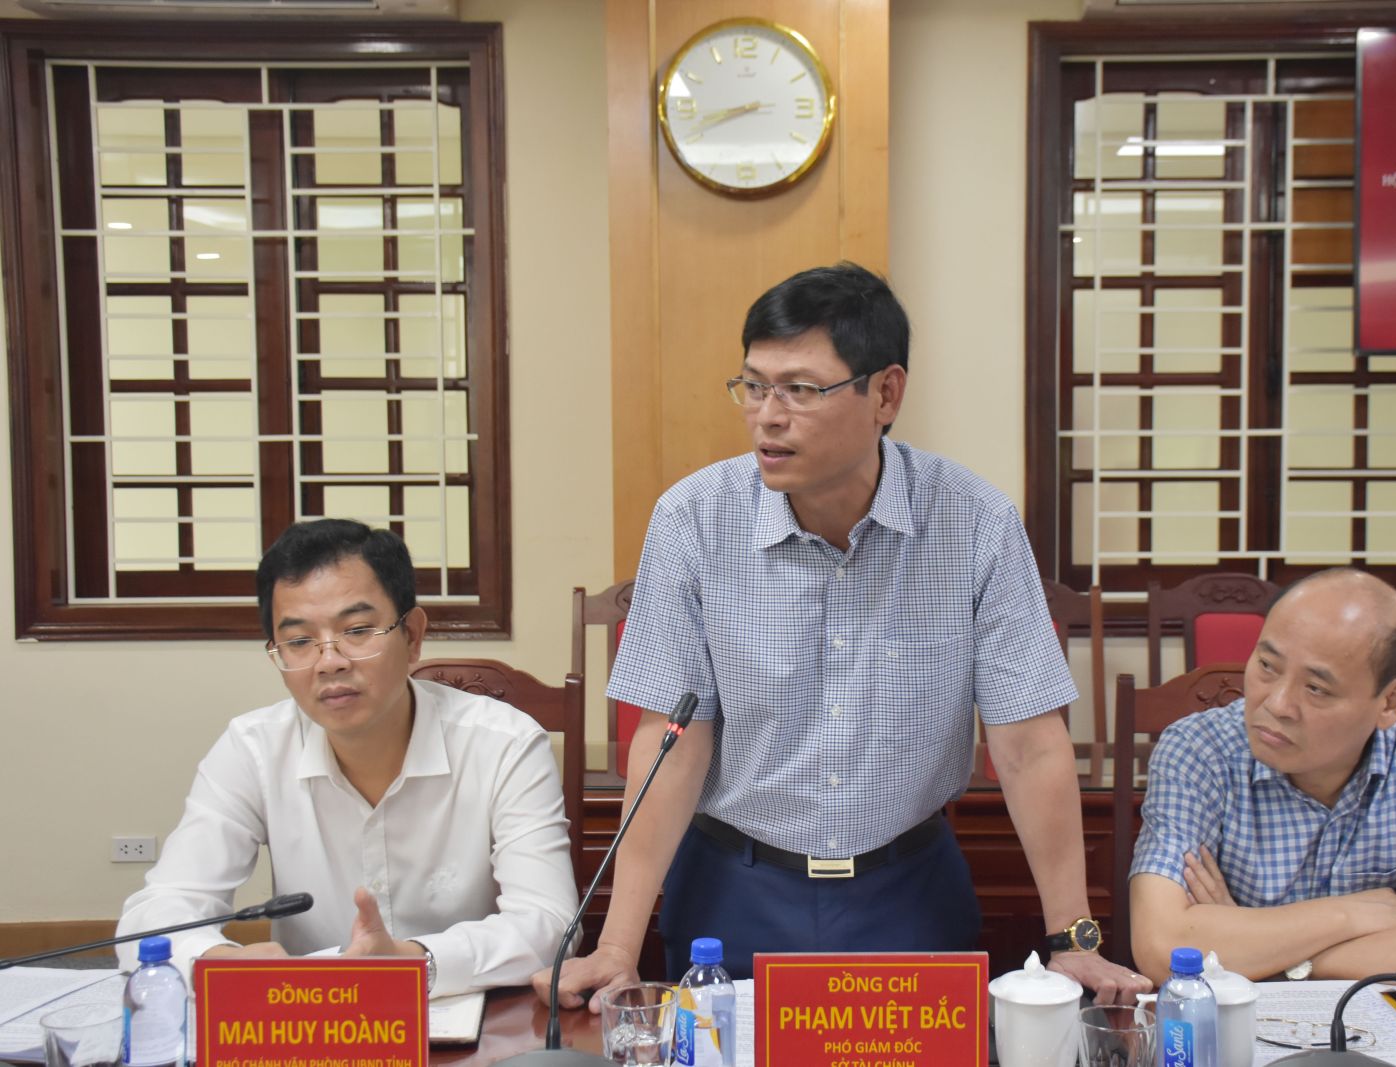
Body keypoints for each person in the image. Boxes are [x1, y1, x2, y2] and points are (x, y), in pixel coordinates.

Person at [536, 262, 1147, 1010]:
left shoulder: (975, 523)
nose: (767, 416)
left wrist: (1073, 939)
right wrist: (617, 947)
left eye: (800, 389)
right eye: (753, 386)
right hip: (733, 890)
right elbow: (674, 739)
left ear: (885, 394)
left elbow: (1029, 743)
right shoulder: (692, 519)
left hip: (908, 890)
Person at [116, 519, 578, 996]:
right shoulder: (253, 748)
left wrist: (414, 962)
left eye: (357, 630)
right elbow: (154, 915)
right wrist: (217, 963)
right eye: (299, 642)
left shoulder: (504, 744)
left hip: (470, 1014)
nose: (329, 662)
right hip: (313, 1021)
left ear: (413, 635)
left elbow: (550, 922)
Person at [1129, 567, 1396, 982]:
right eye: (1267, 665)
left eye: (1316, 689)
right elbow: (1162, 948)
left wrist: (1263, 953)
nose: (1277, 704)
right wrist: (1345, 916)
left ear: (1391, 702)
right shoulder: (1198, 749)